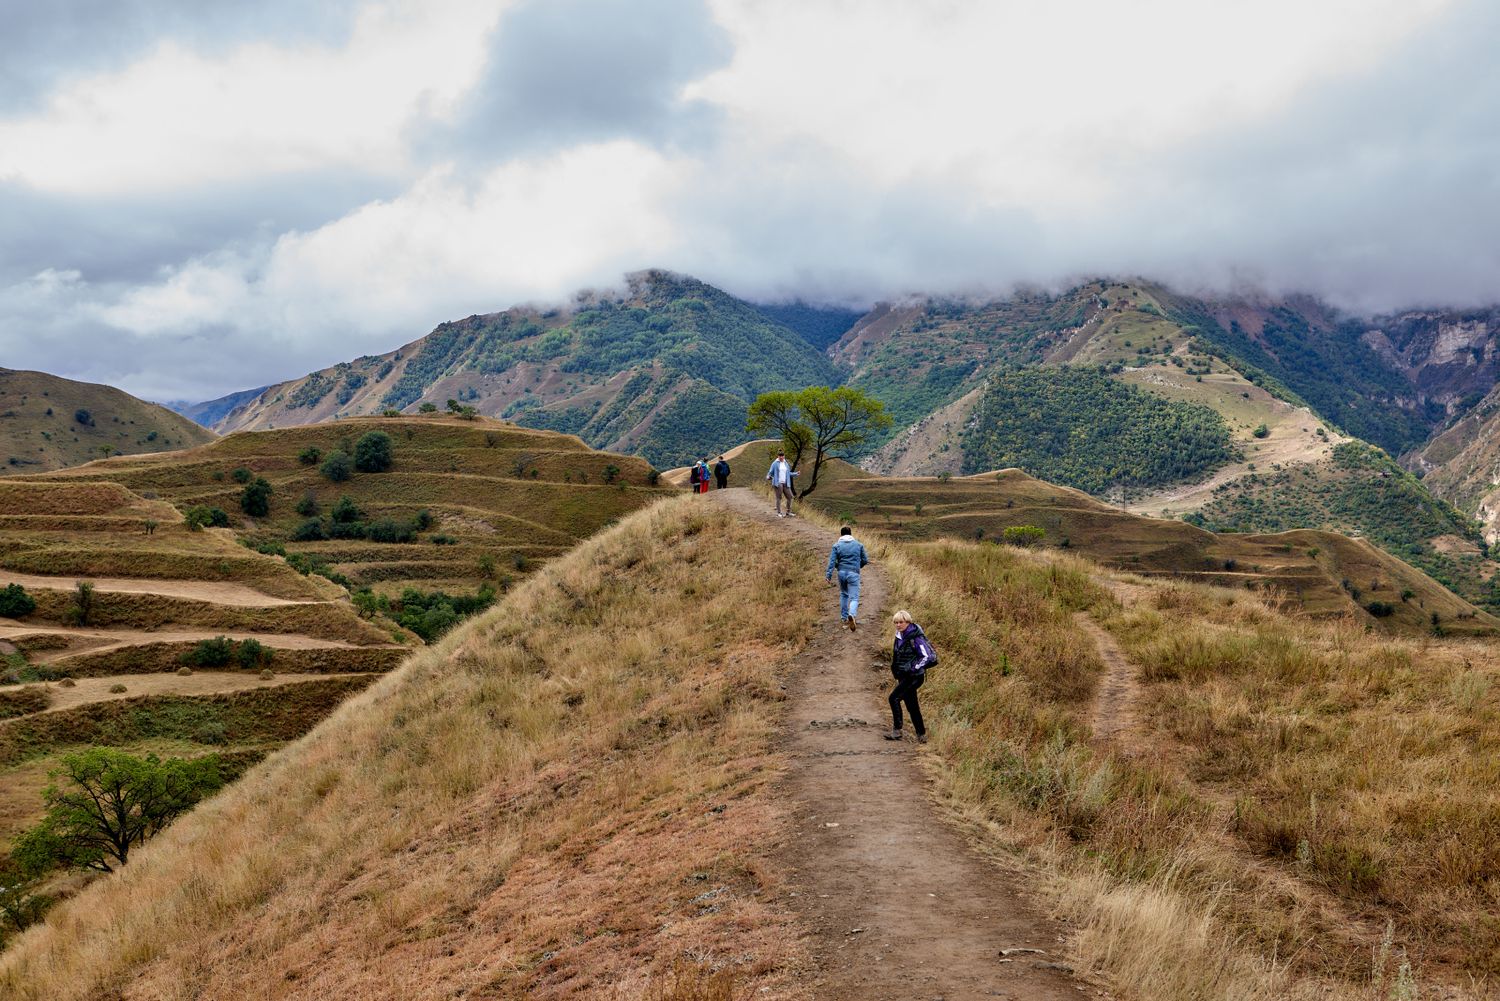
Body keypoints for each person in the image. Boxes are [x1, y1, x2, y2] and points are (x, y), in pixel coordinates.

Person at [887, 610, 934, 744]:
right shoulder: (899, 636)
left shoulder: (915, 637)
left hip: (914, 677)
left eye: (901, 622)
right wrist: (896, 670)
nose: (898, 625)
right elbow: (897, 656)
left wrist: (914, 669)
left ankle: (897, 731)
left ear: (908, 622)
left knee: (893, 698)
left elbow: (927, 657)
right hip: (904, 676)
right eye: (896, 622)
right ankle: (921, 735)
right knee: (912, 705)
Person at [825, 526, 869, 630]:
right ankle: (852, 615)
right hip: (853, 572)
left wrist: (829, 575)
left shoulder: (836, 546)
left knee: (844, 594)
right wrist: (858, 566)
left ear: (841, 535)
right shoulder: (859, 545)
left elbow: (832, 561)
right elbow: (865, 560)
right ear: (851, 534)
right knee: (854, 597)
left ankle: (844, 617)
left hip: (841, 573)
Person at [766, 450, 796, 517]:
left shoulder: (786, 463)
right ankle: (779, 513)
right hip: (778, 483)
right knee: (779, 498)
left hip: (785, 483)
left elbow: (788, 473)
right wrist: (768, 476)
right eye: (780, 456)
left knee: (790, 497)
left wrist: (796, 474)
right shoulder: (775, 463)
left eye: (782, 456)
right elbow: (770, 472)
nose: (781, 457)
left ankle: (788, 512)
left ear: (784, 456)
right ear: (778, 456)